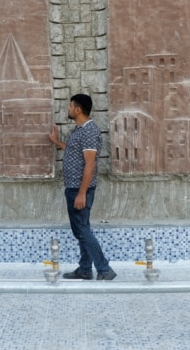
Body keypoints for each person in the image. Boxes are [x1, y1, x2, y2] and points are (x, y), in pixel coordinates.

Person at [48, 94, 116, 281]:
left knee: (82, 230)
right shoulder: (79, 130)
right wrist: (56, 142)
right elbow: (72, 151)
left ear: (78, 109)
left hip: (79, 190)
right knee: (80, 230)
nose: (68, 109)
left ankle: (104, 269)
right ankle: (85, 269)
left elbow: (90, 164)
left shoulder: (89, 131)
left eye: (70, 106)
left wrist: (82, 193)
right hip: (73, 188)